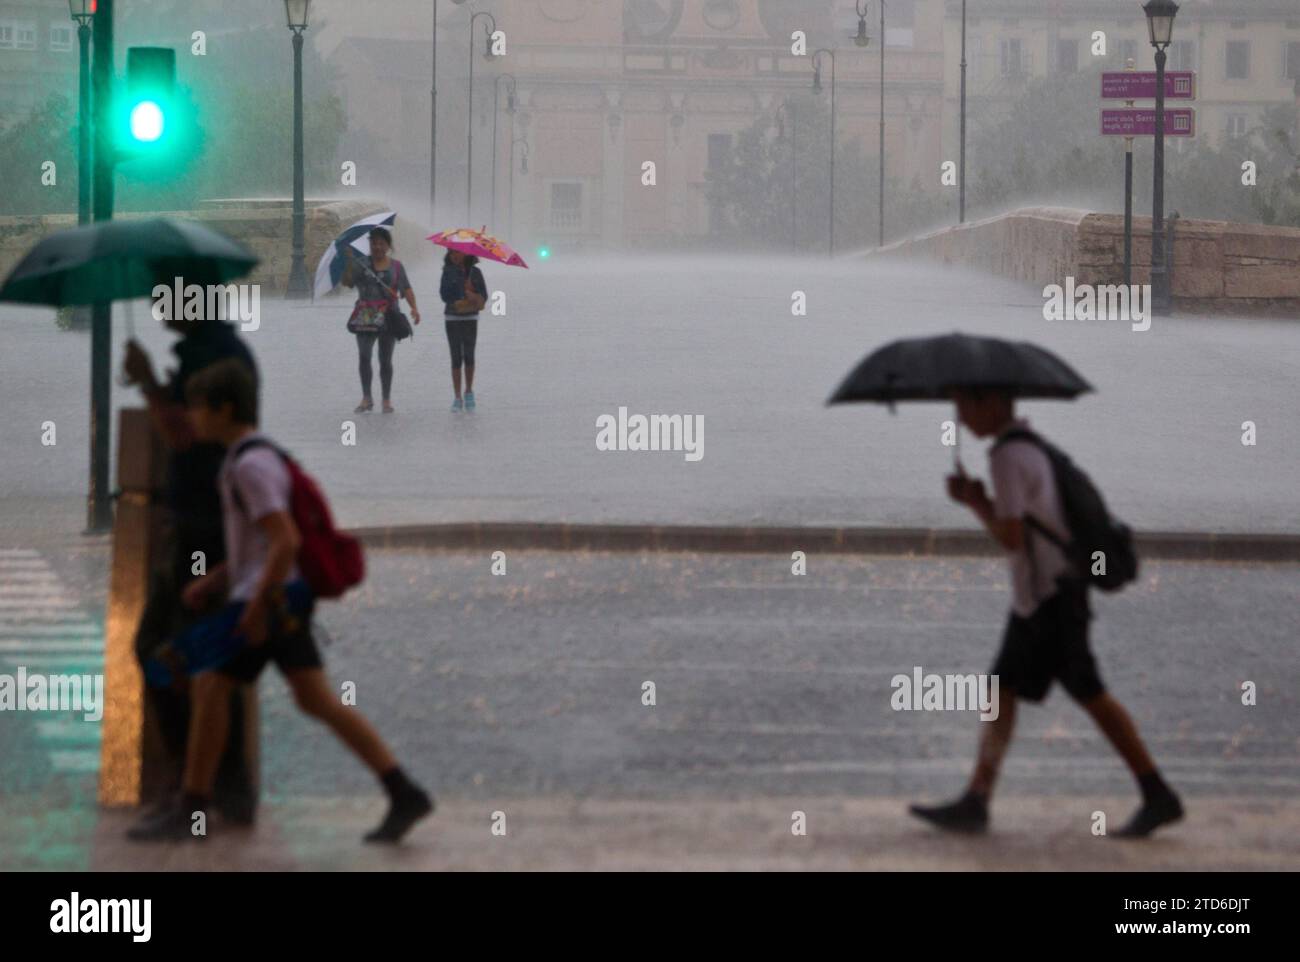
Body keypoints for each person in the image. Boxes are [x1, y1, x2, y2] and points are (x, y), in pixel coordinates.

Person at [127, 359, 434, 843]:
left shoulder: (249, 465)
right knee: (314, 701)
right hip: (280, 599)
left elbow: (285, 540)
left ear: (225, 409)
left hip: (269, 603)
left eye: (199, 408)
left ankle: (192, 810)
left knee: (210, 688)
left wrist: (253, 607)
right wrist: (215, 580)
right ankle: (402, 790)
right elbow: (266, 541)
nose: (193, 417)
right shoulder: (251, 457)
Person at [909, 388, 1183, 839]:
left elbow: (1012, 536)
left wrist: (975, 502)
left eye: (966, 404)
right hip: (1043, 600)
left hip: (1050, 602)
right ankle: (977, 798)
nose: (959, 416)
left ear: (993, 404)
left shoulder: (1006, 458)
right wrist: (979, 498)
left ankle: (1157, 793)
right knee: (1004, 687)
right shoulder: (1032, 446)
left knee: (1089, 692)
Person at [122, 309, 259, 824]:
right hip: (202, 525)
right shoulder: (211, 349)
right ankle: (220, 790)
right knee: (204, 662)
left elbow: (185, 434)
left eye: (169, 293)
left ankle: (198, 792)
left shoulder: (210, 355)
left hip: (207, 529)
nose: (160, 305)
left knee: (176, 655)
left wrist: (148, 384)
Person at [342, 227, 419, 414]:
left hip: (388, 316)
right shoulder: (361, 264)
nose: (376, 247)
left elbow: (406, 289)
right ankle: (366, 397)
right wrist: (349, 262)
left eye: (380, 243)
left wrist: (414, 308)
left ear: (388, 246)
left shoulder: (397, 267)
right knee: (364, 357)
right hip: (365, 316)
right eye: (373, 243)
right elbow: (347, 282)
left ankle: (386, 399)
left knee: (385, 360)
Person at [438, 249, 487, 412]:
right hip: (452, 317)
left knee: (469, 355)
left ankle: (469, 391)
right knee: (455, 357)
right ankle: (457, 396)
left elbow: (484, 295)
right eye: (451, 253)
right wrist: (461, 289)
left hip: (471, 317)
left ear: (466, 253)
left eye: (458, 252)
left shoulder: (475, 272)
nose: (454, 256)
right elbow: (444, 295)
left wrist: (473, 293)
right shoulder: (447, 272)